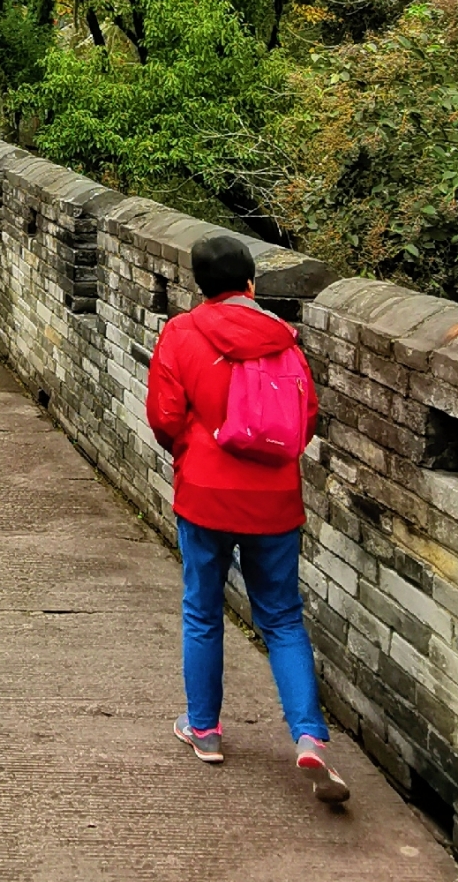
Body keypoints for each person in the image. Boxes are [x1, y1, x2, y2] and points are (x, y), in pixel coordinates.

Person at [144, 228, 349, 803]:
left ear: (200, 286)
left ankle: (205, 730)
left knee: (203, 612)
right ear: (252, 284)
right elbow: (304, 418)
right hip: (274, 499)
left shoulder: (181, 334)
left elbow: (164, 416)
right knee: (282, 619)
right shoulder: (283, 339)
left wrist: (193, 453)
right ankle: (309, 737)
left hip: (205, 495)